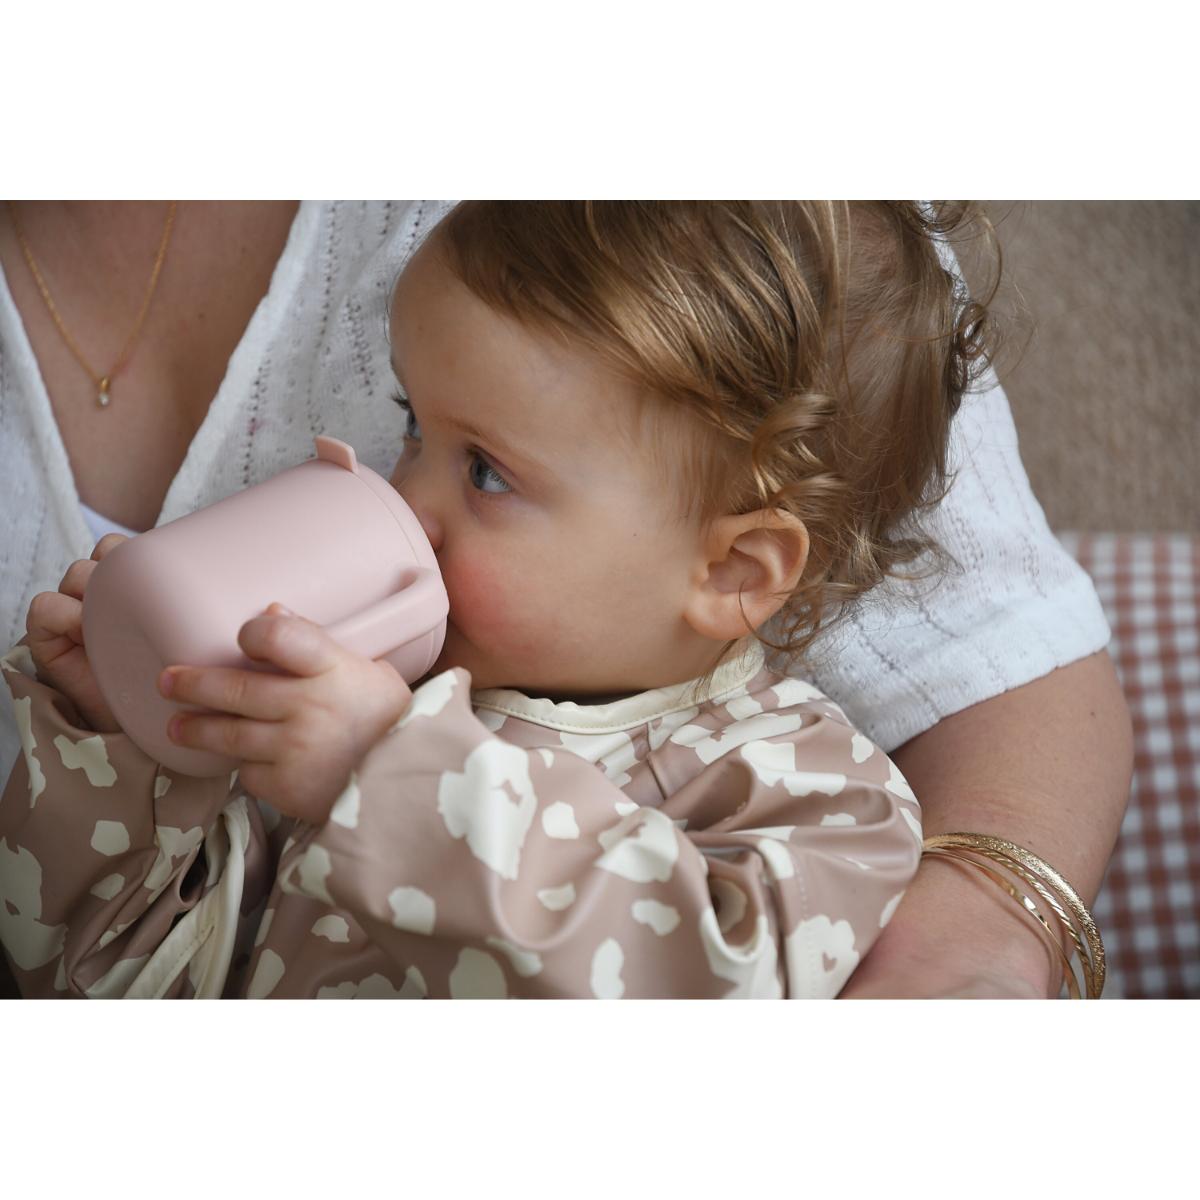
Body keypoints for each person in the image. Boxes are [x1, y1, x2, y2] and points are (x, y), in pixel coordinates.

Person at [0, 201, 1132, 998]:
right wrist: (121, 754)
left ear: (731, 571)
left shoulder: (810, 799)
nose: (406, 498)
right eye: (412, 428)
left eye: (484, 470)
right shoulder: (354, 723)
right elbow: (106, 982)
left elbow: (711, 998)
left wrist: (392, 781)